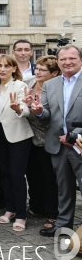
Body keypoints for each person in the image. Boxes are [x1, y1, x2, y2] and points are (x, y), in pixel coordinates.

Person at [30, 45, 82, 237]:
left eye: (72, 58)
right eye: (63, 59)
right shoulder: (51, 84)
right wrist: (38, 111)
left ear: (80, 60)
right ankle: (63, 226)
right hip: (57, 145)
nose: (67, 62)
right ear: (58, 62)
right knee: (63, 188)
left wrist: (75, 135)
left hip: (79, 144)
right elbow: (46, 115)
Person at [0, 54, 33, 232]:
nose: (2, 69)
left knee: (17, 175)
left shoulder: (20, 85)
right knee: (5, 174)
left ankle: (21, 215)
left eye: (6, 66)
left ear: (14, 68)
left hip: (18, 136)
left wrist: (18, 109)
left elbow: (25, 109)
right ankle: (10, 209)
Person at [22, 55, 59, 230]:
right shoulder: (29, 82)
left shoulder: (55, 88)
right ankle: (36, 207)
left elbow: (52, 115)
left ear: (54, 73)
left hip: (47, 136)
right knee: (33, 175)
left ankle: (52, 213)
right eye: (37, 68)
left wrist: (36, 109)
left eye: (43, 70)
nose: (37, 72)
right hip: (29, 135)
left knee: (48, 177)